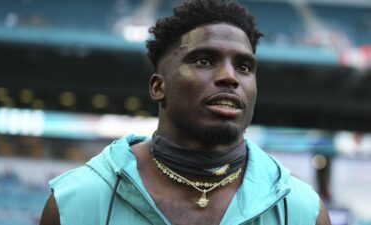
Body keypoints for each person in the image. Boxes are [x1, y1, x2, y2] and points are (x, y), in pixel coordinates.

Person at [39, 0, 332, 224]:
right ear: (158, 87)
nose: (230, 77)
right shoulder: (76, 203)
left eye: (244, 67)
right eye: (204, 61)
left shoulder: (302, 211)